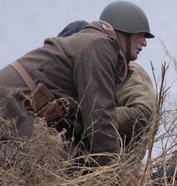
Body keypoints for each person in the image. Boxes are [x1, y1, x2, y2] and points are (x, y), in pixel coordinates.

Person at [0, 1, 154, 169]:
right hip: (0, 107)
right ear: (124, 32)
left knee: (67, 159)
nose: (145, 43)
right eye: (141, 35)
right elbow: (99, 118)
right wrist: (112, 175)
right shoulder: (99, 46)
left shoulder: (97, 46)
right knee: (65, 166)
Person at [57, 20, 157, 150]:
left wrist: (87, 120)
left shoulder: (128, 71)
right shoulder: (79, 72)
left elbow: (143, 113)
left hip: (116, 160)